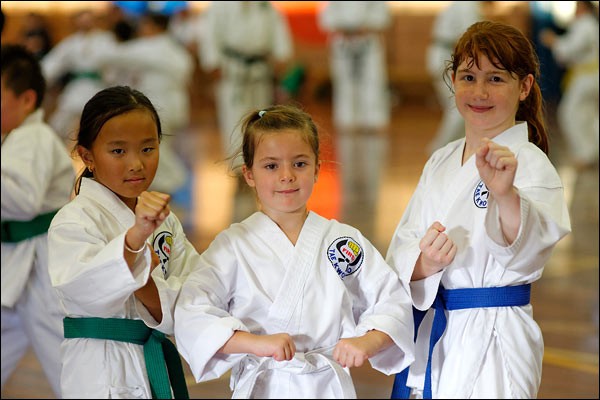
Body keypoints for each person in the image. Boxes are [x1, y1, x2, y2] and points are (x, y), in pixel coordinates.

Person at [174, 104, 416, 399]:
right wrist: (254, 343)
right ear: (249, 174)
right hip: (263, 385)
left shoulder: (343, 241)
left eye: (299, 164)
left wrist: (367, 342)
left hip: (326, 384)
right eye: (271, 166)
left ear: (317, 168)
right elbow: (193, 312)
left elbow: (392, 300)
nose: (286, 176)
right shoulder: (232, 246)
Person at [386, 21, 572, 399]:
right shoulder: (440, 160)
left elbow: (530, 248)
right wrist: (423, 264)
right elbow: (404, 241)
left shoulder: (529, 162)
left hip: (496, 333)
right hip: (437, 326)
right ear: (452, 81)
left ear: (525, 87)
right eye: (469, 77)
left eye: (496, 79)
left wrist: (505, 195)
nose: (480, 91)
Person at [46, 85, 197, 399]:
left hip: (153, 356)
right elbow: (86, 292)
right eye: (118, 151)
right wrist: (134, 244)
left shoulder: (165, 220)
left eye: (147, 148)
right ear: (87, 156)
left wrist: (141, 279)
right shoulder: (73, 220)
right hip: (99, 369)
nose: (136, 164)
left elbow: (196, 290)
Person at [1, 44, 75, 398]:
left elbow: (21, 201)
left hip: (40, 268)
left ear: (27, 100)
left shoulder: (33, 137)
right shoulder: (13, 137)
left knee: (64, 359)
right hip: (13, 264)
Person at [199, 1, 294, 222]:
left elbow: (279, 37)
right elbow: (209, 34)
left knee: (260, 120)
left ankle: (258, 162)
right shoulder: (220, 7)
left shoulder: (266, 8)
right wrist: (213, 63)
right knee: (233, 122)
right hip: (232, 70)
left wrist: (281, 57)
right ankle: (238, 169)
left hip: (260, 70)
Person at [96, 11, 195, 197]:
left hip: (159, 106)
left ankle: (171, 181)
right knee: (160, 146)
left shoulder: (149, 46)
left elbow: (108, 56)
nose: (141, 30)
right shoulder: (176, 49)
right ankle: (161, 187)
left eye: (144, 25)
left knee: (157, 148)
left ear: (154, 27)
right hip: (177, 105)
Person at [317, 1, 392, 240]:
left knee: (372, 84)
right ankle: (348, 123)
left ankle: (373, 121)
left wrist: (363, 27)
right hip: (343, 42)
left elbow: (383, 17)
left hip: (367, 41)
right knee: (345, 86)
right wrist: (345, 28)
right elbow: (325, 18)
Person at [425, 1, 494, 155]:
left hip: (445, 55)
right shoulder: (466, 5)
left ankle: (459, 151)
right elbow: (473, 38)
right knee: (458, 109)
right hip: (445, 57)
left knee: (460, 109)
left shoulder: (465, 5)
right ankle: (439, 150)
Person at [41, 9, 116, 146]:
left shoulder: (106, 39)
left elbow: (115, 64)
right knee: (59, 124)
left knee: (101, 126)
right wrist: (39, 79)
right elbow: (53, 63)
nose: (85, 22)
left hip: (98, 87)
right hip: (76, 88)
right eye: (81, 19)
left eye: (88, 19)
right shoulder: (71, 42)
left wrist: (113, 83)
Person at [539, 1, 599, 170]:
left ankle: (586, 154)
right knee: (587, 115)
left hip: (587, 77)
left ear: (582, 7)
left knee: (570, 113)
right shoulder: (587, 24)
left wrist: (553, 42)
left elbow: (570, 49)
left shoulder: (585, 25)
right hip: (588, 76)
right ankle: (590, 151)